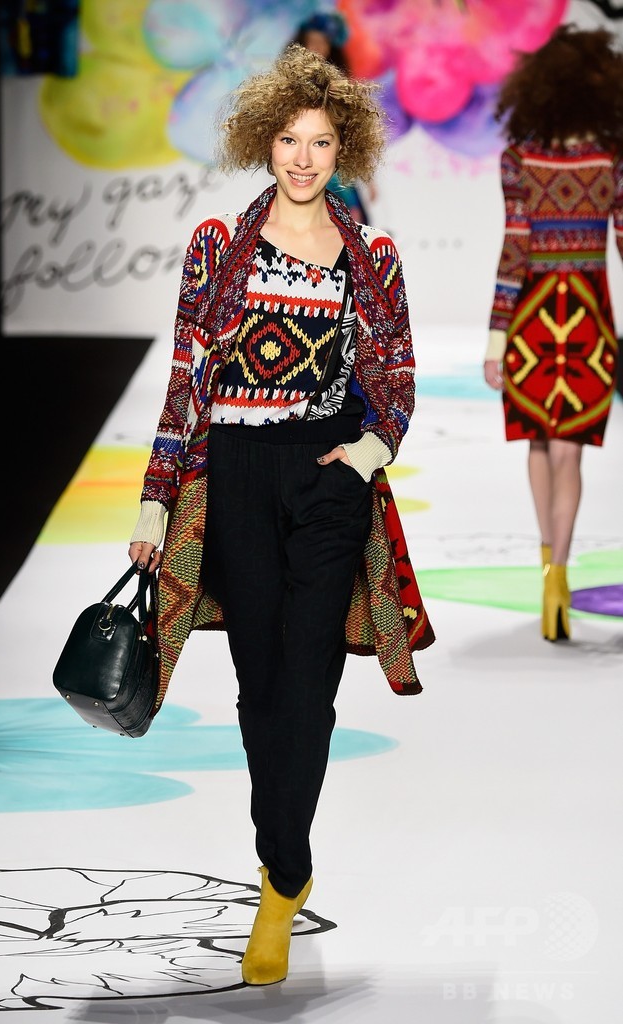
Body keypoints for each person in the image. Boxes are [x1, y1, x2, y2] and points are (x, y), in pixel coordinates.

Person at [128, 43, 435, 986]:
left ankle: (283, 876)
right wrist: (155, 499)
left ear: (345, 152)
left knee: (308, 684)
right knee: (260, 684)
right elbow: (186, 378)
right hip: (235, 476)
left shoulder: (369, 256)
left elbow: (397, 375)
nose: (303, 158)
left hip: (327, 479)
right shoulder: (218, 247)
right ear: (265, 141)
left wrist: (368, 455)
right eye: (290, 139)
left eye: (322, 142)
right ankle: (282, 856)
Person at [484, 23, 623, 643]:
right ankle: (560, 572)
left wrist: (496, 341)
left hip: (533, 318)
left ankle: (548, 572)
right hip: (589, 318)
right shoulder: (612, 158)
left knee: (539, 447)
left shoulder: (520, 159)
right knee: (570, 451)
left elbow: (514, 251)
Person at [288, 10, 378, 222]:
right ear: (302, 45)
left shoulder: (339, 87)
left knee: (351, 225)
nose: (317, 48)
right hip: (306, 169)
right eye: (312, 42)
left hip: (336, 168)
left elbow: (354, 134)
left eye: (322, 43)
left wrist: (368, 179)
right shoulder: (289, 86)